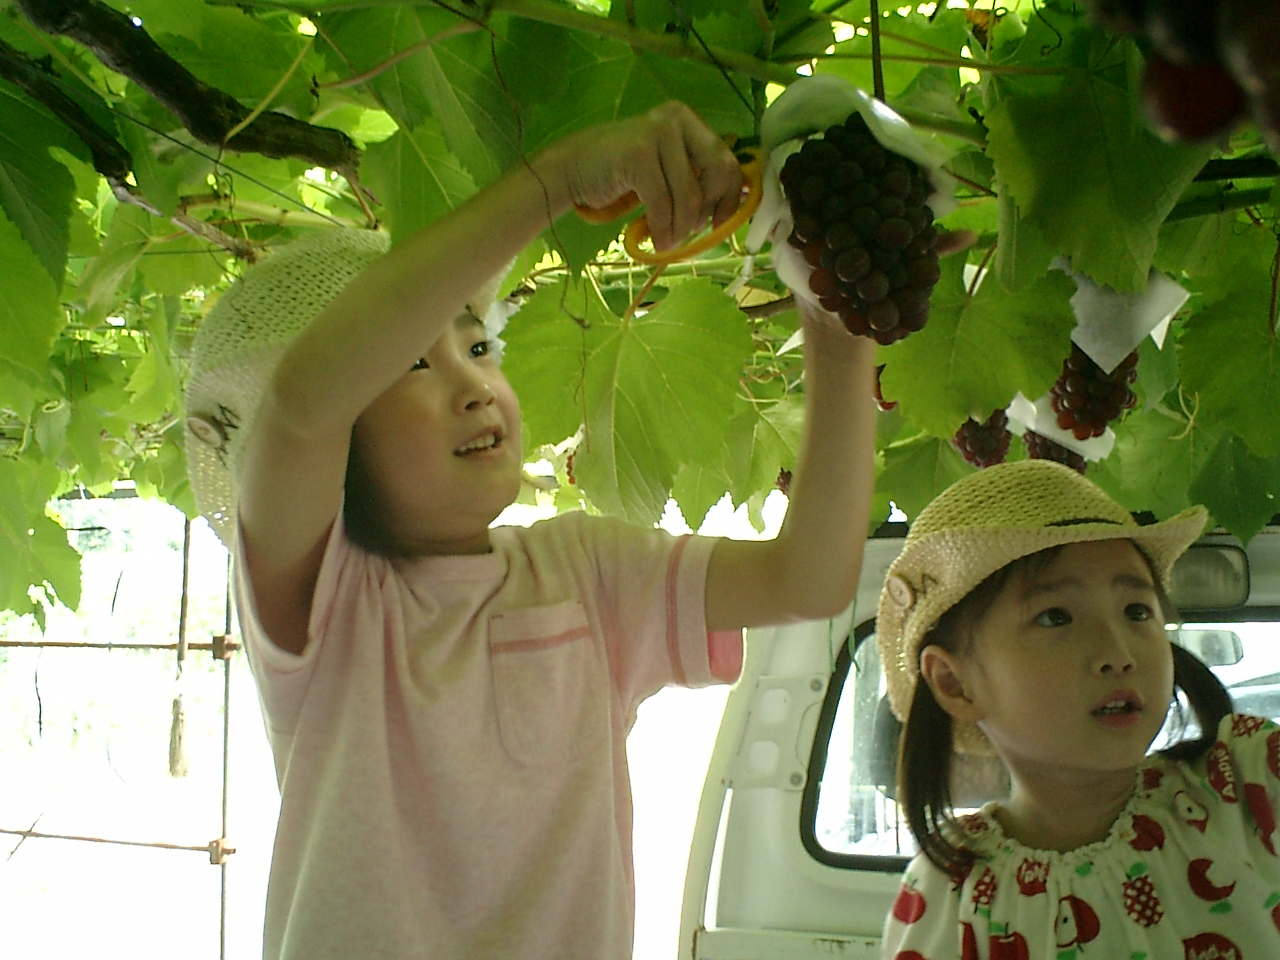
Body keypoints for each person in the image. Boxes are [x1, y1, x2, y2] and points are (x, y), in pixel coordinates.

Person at [182, 102, 885, 960]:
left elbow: (807, 580)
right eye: (412, 363)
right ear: (339, 444)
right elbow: (301, 407)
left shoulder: (586, 568)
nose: (475, 386)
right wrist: (558, 179)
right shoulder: (321, 607)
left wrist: (838, 329)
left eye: (479, 347)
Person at [876, 459, 1280, 959]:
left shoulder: (1248, 785)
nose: (1118, 653)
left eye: (1137, 611)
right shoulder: (948, 890)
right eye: (1056, 617)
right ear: (954, 683)